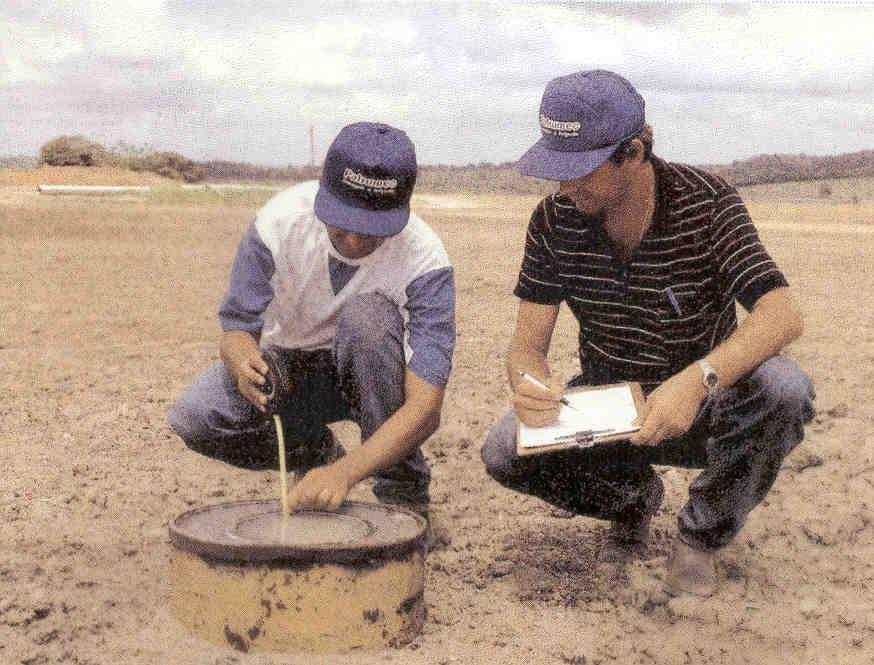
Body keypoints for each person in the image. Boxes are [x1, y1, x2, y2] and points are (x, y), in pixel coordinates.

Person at [480, 70, 815, 596]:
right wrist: (531, 384)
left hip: (706, 406)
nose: (564, 187)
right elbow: (527, 348)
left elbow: (781, 315)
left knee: (784, 389)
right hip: (610, 410)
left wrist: (695, 380)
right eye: (556, 170)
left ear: (634, 152)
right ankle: (632, 499)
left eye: (580, 171)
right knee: (503, 449)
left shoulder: (709, 202)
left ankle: (701, 538)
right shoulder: (551, 221)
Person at [167, 122, 455, 517]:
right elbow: (237, 329)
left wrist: (346, 473)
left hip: (377, 377)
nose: (353, 242)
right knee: (196, 415)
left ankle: (404, 499)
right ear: (323, 193)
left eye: (371, 231)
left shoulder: (425, 260)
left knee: (368, 320)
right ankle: (313, 451)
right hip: (292, 370)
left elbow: (424, 410)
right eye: (343, 223)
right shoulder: (279, 222)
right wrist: (242, 361)